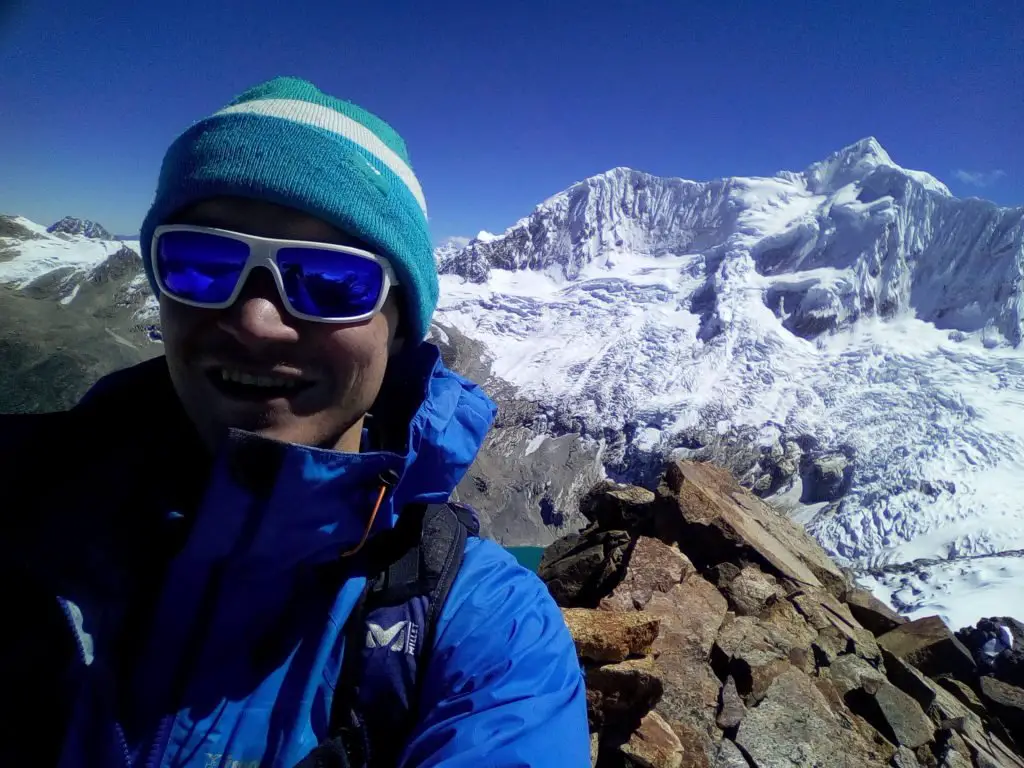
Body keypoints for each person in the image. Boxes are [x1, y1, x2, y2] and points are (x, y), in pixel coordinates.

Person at [0, 77, 590, 767]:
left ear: (400, 327)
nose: (256, 322)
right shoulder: (16, 508)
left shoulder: (487, 632)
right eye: (200, 264)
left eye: (330, 280)